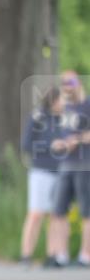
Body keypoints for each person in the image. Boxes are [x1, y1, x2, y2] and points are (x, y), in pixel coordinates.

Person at [46, 72, 90, 268]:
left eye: (70, 81)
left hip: (85, 165)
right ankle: (60, 255)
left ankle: (85, 256)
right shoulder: (66, 109)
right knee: (58, 210)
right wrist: (60, 143)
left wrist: (77, 140)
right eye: (64, 82)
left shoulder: (87, 105)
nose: (67, 85)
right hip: (66, 164)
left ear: (78, 83)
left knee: (86, 212)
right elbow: (62, 135)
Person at [19, 87, 63, 265]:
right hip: (40, 171)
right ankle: (26, 254)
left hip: (59, 172)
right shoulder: (37, 118)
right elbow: (26, 145)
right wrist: (50, 146)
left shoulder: (63, 120)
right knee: (36, 213)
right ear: (53, 101)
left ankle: (52, 255)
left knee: (54, 215)